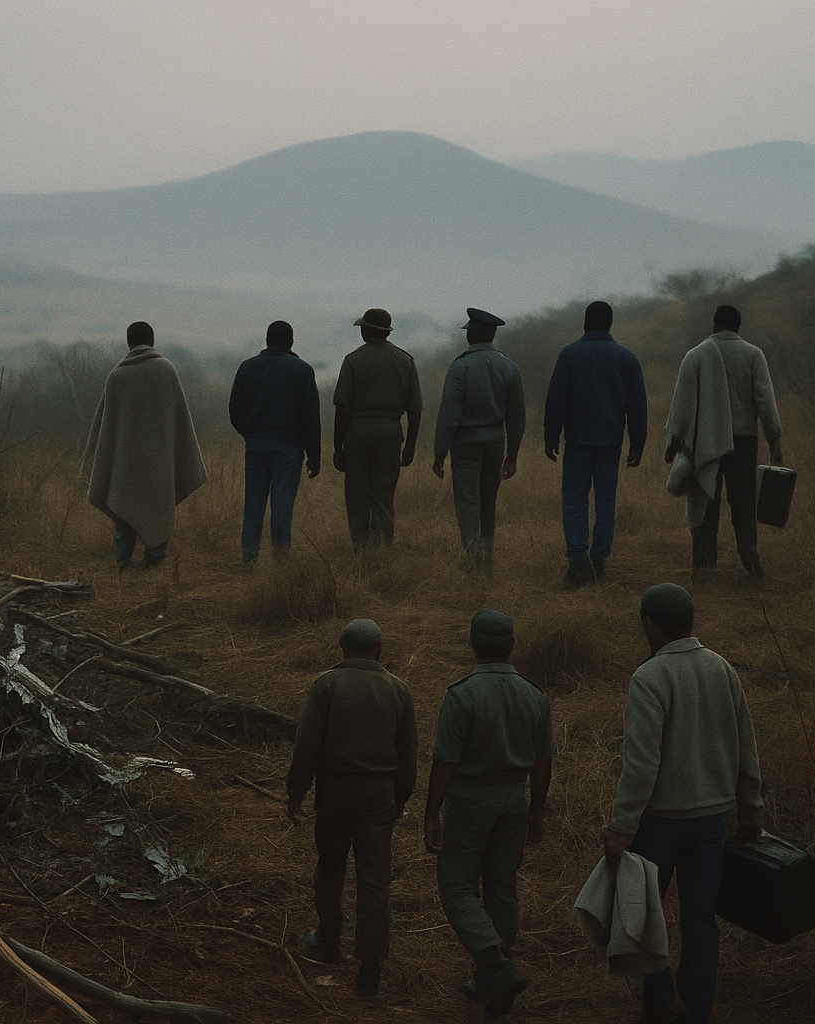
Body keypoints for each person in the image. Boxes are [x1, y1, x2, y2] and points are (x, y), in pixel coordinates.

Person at [602, 583, 764, 1024]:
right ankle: (694, 1012)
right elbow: (747, 749)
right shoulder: (722, 669)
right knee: (700, 922)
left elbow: (640, 765)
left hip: (659, 824)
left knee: (642, 923)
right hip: (713, 820)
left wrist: (621, 829)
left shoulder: (649, 677)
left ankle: (658, 1007)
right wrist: (750, 814)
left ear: (650, 624)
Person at [423, 610, 555, 1016]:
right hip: (513, 801)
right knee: (501, 885)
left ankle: (496, 966)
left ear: (471, 644)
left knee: (457, 887)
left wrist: (432, 812)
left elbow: (445, 761)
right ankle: (492, 979)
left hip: (470, 801)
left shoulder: (461, 694)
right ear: (512, 644)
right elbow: (543, 761)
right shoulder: (534, 695)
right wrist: (536, 809)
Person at [286, 618, 418, 998]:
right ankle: (370, 968)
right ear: (380, 650)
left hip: (335, 794)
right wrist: (399, 800)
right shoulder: (398, 689)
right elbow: (409, 755)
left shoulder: (325, 685)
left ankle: (327, 939)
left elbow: (306, 747)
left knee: (330, 867)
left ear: (342, 648)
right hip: (379, 796)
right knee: (374, 879)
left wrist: (296, 793)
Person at [664, 305, 784, 578]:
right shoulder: (753, 355)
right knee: (743, 501)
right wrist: (774, 440)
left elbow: (680, 405)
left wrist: (673, 446)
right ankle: (750, 560)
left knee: (707, 499)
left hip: (707, 441)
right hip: (744, 441)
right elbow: (765, 400)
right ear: (739, 328)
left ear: (714, 326)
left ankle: (704, 566)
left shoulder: (695, 355)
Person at [80, 321, 207, 568]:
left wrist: (94, 462)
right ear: (152, 341)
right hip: (159, 466)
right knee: (157, 511)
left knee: (123, 514)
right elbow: (181, 424)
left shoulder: (117, 376)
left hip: (124, 468)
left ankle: (124, 565)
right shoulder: (166, 371)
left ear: (129, 343)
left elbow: (104, 431)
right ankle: (155, 566)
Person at [543, 300, 648, 586]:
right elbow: (637, 405)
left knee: (575, 499)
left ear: (585, 324)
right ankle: (599, 560)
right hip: (610, 443)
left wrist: (551, 436)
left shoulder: (569, 355)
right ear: (610, 324)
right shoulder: (626, 358)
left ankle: (578, 561)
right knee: (605, 500)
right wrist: (637, 443)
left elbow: (556, 400)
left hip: (577, 441)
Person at [432, 309, 526, 574]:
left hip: (465, 444)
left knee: (468, 502)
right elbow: (517, 415)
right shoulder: (510, 366)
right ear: (493, 334)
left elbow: (449, 415)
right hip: (495, 441)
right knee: (488, 502)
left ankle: (474, 560)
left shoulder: (460, 366)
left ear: (470, 336)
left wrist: (440, 452)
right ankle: (486, 558)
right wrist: (513, 453)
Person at [228, 320, 322, 562]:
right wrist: (313, 455)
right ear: (291, 342)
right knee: (282, 508)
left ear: (267, 340)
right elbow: (311, 417)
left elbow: (234, 410)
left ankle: (248, 562)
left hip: (256, 445)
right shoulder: (303, 370)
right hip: (289, 448)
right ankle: (280, 563)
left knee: (253, 506)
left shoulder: (248, 367)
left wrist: (250, 433)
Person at [332, 308, 423, 551]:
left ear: (366, 331)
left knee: (357, 495)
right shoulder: (405, 360)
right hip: (390, 432)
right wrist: (410, 445)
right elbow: (415, 409)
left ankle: (361, 551)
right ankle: (382, 551)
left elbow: (342, 407)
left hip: (357, 433)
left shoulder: (352, 360)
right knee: (383, 496)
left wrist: (337, 447)